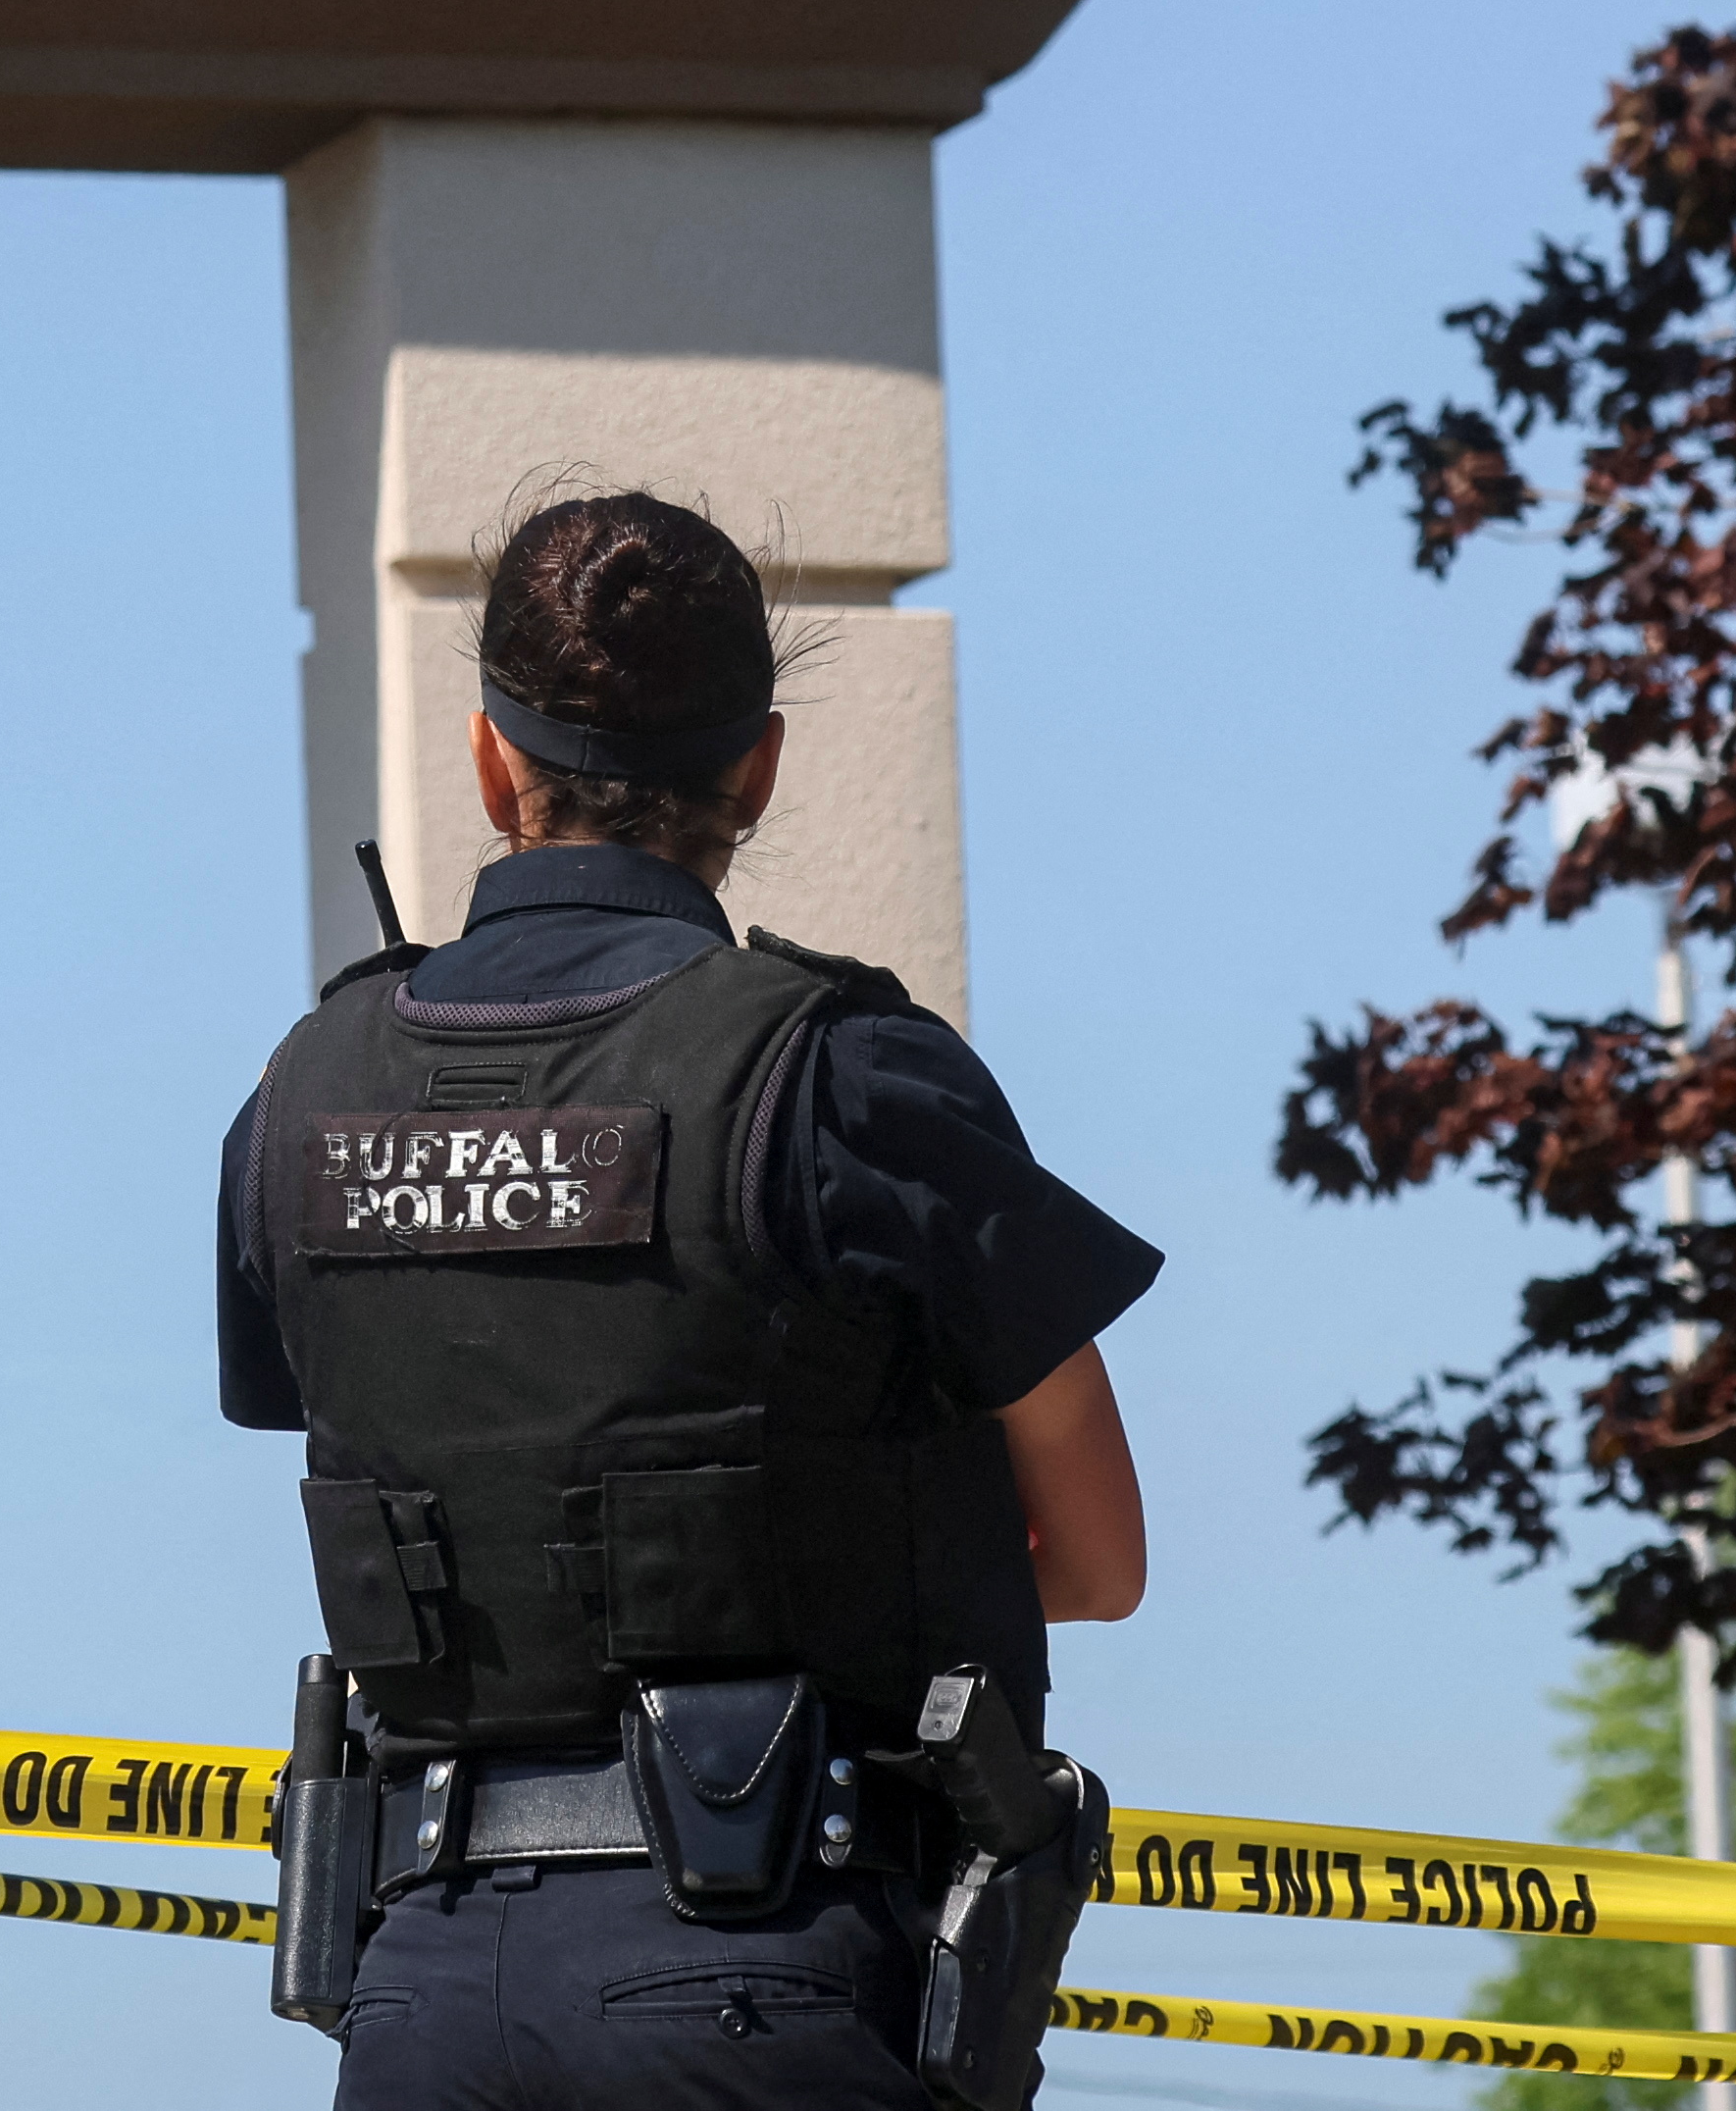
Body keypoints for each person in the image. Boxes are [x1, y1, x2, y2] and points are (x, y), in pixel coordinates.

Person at [223, 490, 1158, 2111]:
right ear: (763, 766)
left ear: (490, 762)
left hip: (428, 1992)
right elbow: (1098, 1557)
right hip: (769, 1968)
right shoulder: (845, 1078)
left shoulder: (305, 1095)